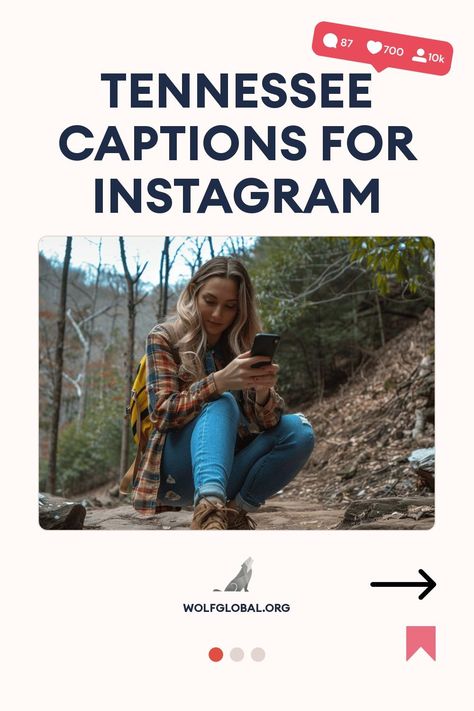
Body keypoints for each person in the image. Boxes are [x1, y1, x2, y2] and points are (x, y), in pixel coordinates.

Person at [132, 256, 315, 530]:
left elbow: (267, 425)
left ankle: (229, 516)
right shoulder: (164, 337)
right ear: (193, 292)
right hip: (172, 472)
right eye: (210, 301)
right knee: (222, 401)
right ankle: (208, 508)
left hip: (229, 468)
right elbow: (162, 413)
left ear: (240, 309)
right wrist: (217, 382)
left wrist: (263, 393)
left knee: (300, 431)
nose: (218, 314)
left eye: (229, 307)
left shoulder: (241, 345)